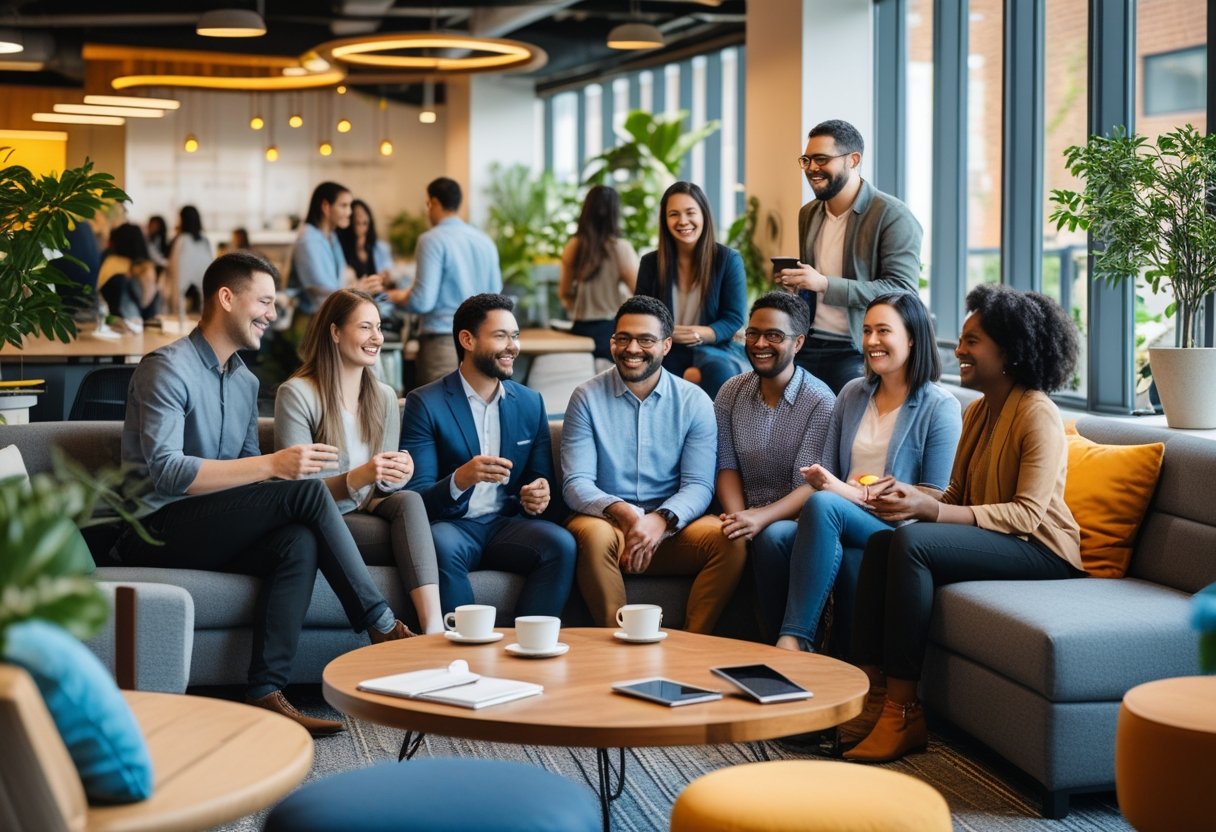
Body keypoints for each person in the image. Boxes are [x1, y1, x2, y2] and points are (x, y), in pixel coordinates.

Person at [116, 251, 412, 737]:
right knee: (310, 498)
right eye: (265, 302)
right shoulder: (165, 369)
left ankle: (266, 690)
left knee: (298, 539)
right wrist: (277, 466)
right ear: (226, 298)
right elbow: (167, 473)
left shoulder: (246, 380)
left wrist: (277, 478)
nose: (273, 315)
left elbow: (251, 480)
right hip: (154, 526)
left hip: (213, 524)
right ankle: (381, 622)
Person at [842, 284, 1083, 763]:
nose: (958, 349)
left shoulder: (1038, 414)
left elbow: (1027, 515)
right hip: (997, 538)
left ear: (1009, 351)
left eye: (973, 341)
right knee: (884, 544)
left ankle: (903, 710)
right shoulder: (978, 411)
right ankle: (871, 695)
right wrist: (912, 496)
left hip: (1043, 551)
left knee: (910, 543)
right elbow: (956, 497)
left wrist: (930, 513)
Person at [753, 292, 960, 661]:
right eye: (866, 331)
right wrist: (836, 488)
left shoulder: (939, 406)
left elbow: (935, 497)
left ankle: (793, 643)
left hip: (899, 527)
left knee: (823, 503)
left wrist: (845, 493)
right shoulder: (852, 393)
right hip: (842, 514)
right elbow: (829, 471)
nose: (871, 342)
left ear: (912, 338)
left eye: (884, 331)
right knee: (774, 537)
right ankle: (791, 644)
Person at [562, 295, 747, 634]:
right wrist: (625, 513)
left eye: (645, 340)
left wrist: (660, 521)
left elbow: (698, 485)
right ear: (612, 341)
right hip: (609, 525)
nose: (632, 348)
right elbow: (576, 483)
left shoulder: (694, 402)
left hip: (674, 531)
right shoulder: (586, 397)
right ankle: (615, 641)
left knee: (729, 540)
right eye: (623, 338)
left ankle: (693, 643)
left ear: (665, 345)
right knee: (594, 534)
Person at [275, 288, 443, 634]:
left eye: (379, 328)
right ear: (335, 332)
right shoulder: (297, 394)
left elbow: (379, 492)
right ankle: (392, 629)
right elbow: (297, 493)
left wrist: (397, 475)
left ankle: (433, 629)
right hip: (319, 520)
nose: (376, 338)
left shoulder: (383, 397)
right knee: (425, 539)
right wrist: (360, 475)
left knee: (409, 499)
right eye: (365, 327)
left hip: (365, 514)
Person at [399, 293, 575, 617]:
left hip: (506, 524)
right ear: (467, 339)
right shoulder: (425, 403)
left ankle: (529, 644)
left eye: (515, 336)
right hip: (453, 526)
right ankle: (467, 650)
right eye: (501, 336)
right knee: (438, 544)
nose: (513, 346)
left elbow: (541, 478)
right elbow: (415, 500)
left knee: (561, 544)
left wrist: (538, 494)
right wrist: (460, 479)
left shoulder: (530, 402)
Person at [713, 291, 836, 633]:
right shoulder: (730, 392)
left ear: (798, 343)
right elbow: (726, 465)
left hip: (796, 518)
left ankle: (780, 642)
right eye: (753, 333)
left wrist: (760, 519)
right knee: (727, 537)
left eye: (774, 336)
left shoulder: (821, 401)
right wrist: (740, 518)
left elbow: (813, 484)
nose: (760, 343)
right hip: (743, 511)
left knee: (771, 537)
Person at [775, 120, 922, 394]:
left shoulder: (893, 216)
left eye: (821, 159)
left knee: (843, 411)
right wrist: (800, 284)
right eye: (806, 160)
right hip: (809, 340)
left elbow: (902, 292)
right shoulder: (808, 213)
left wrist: (824, 284)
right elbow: (815, 284)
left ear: (853, 160)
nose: (811, 168)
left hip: (856, 350)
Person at [635, 181, 747, 399]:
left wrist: (700, 334)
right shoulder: (651, 263)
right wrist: (666, 334)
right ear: (665, 220)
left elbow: (734, 317)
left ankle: (718, 432)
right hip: (666, 347)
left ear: (703, 215)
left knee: (720, 372)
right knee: (653, 374)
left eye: (690, 212)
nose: (683, 221)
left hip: (715, 347)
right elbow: (640, 313)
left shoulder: (727, 260)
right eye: (674, 214)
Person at [387, 177, 502, 387]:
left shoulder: (431, 239)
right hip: (483, 339)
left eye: (428, 205)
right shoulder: (485, 241)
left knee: (439, 411)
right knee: (477, 409)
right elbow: (497, 296)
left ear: (435, 203)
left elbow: (423, 301)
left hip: (443, 340)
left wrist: (395, 297)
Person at [558, 185, 639, 361]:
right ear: (615, 213)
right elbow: (639, 292)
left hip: (580, 330)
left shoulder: (574, 246)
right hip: (611, 330)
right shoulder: (621, 248)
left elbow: (564, 293)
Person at [289, 182, 383, 327]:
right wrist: (359, 289)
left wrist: (360, 285)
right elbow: (321, 293)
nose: (350, 212)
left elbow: (343, 276)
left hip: (326, 317)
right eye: (344, 206)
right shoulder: (308, 240)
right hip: (309, 323)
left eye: (349, 206)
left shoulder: (331, 236)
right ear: (326, 207)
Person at [167, 205, 214, 315]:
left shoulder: (181, 240)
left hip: (181, 294)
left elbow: (173, 266)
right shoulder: (204, 241)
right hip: (201, 292)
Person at [337, 199, 393, 282]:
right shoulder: (339, 249)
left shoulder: (380, 248)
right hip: (355, 293)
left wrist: (387, 276)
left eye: (364, 223)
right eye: (357, 222)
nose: (361, 227)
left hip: (379, 292)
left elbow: (390, 272)